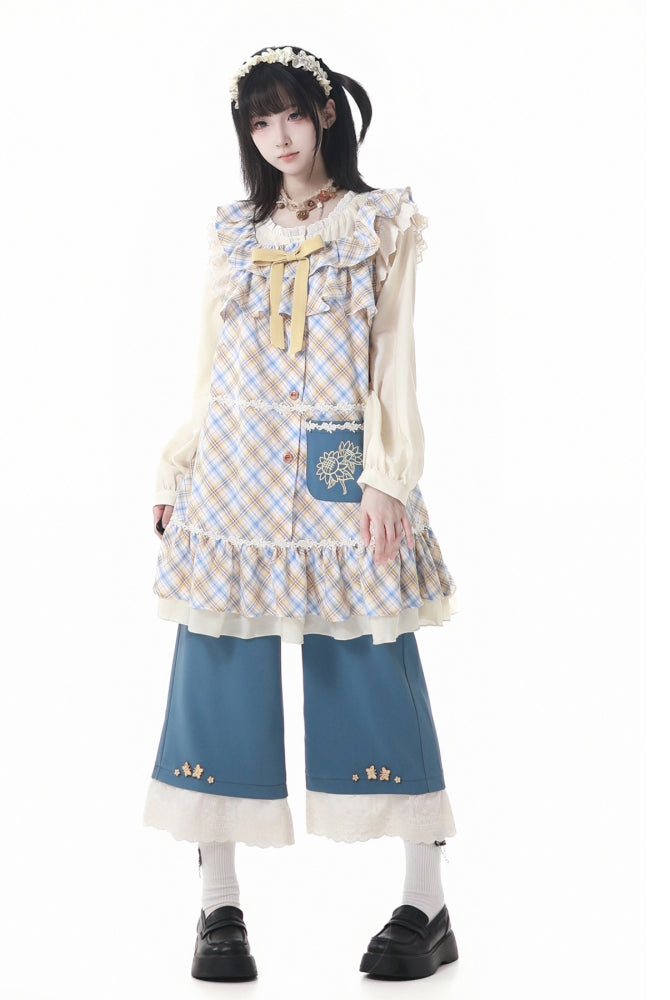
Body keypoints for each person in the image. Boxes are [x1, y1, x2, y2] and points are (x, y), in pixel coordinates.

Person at [142, 44, 460, 982]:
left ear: (324, 115)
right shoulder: (235, 232)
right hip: (232, 466)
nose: (278, 137)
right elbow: (208, 362)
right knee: (216, 676)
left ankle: (426, 902)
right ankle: (218, 907)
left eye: (291, 115)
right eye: (259, 121)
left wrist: (387, 476)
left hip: (340, 458)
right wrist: (176, 462)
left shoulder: (377, 222)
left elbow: (394, 354)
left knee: (372, 662)